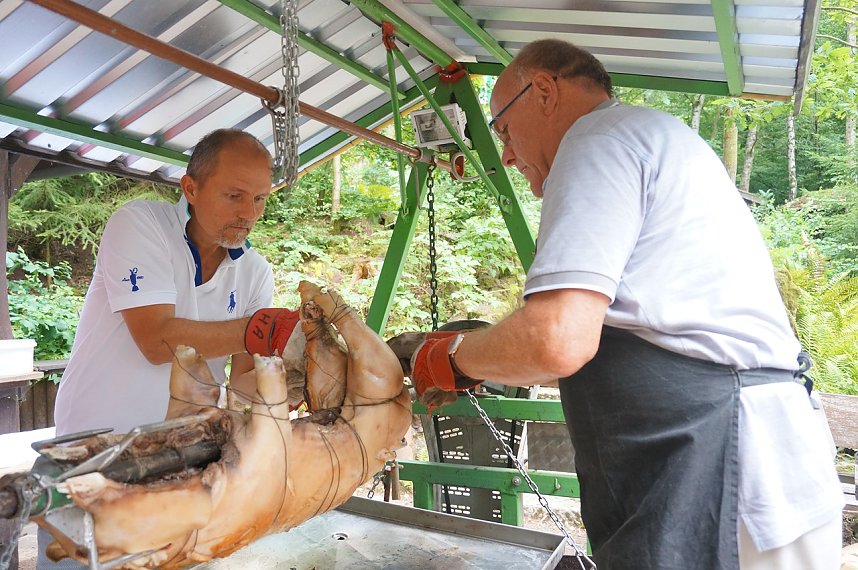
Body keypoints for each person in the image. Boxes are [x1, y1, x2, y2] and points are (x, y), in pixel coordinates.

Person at [393, 40, 845, 569]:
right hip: (743, 458)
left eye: (504, 130)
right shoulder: (647, 136)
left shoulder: (596, 141)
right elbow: (601, 340)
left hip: (719, 470)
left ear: (544, 91)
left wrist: (449, 357)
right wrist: (480, 357)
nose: (507, 154)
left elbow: (557, 339)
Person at [38, 129, 302, 569]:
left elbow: (243, 380)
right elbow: (157, 340)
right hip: (94, 450)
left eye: (259, 199)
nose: (248, 213)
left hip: (182, 457)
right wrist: (258, 332)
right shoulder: (140, 225)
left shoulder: (255, 272)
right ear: (191, 188)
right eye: (234, 195)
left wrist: (290, 379)